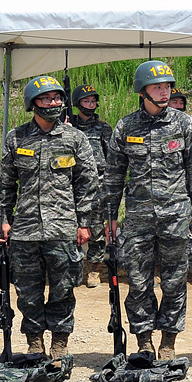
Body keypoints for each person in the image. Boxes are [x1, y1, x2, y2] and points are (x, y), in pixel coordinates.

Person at [102, 60, 192, 359]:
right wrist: (110, 217)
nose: (164, 93)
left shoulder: (183, 124)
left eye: (167, 87)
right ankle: (144, 341)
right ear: (143, 92)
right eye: (157, 87)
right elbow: (113, 176)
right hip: (138, 220)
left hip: (176, 218)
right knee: (138, 283)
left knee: (175, 281)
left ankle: (168, 342)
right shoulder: (126, 127)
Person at [0, 76, 98, 361]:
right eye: (46, 99)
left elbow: (87, 183)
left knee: (63, 290)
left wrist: (84, 222)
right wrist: (4, 220)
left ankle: (60, 342)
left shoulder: (75, 138)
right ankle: (34, 342)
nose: (53, 103)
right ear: (32, 104)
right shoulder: (16, 138)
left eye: (57, 98)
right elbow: (6, 185)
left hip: (63, 229)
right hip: (25, 231)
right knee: (28, 292)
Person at [70, 84, 112, 288]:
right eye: (86, 101)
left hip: (97, 185)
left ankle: (94, 269)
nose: (91, 105)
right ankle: (72, 267)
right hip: (71, 184)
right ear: (77, 104)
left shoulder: (103, 128)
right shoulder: (68, 127)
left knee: (95, 228)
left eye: (93, 101)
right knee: (71, 228)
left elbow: (112, 159)